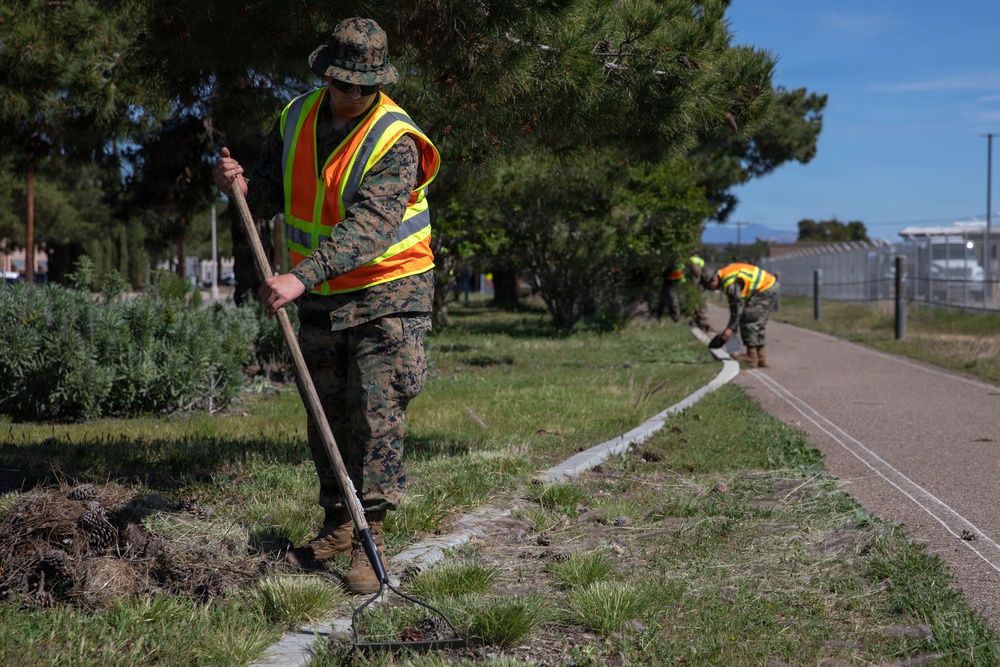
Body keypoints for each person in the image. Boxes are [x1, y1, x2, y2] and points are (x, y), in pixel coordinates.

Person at [213, 17, 440, 594]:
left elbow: (369, 227)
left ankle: (374, 535)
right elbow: (270, 185)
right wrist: (238, 182)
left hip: (389, 288)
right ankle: (339, 525)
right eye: (346, 84)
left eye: (367, 86)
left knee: (375, 407)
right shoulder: (295, 118)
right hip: (320, 290)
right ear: (327, 75)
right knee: (326, 411)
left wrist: (298, 276)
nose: (355, 95)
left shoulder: (397, 139)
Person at [701, 262, 778, 368]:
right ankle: (761, 357)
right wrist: (733, 326)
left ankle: (751, 357)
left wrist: (730, 328)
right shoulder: (726, 274)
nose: (712, 290)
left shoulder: (729, 283)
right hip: (769, 285)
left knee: (749, 319)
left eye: (710, 287)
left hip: (764, 288)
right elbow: (737, 306)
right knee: (757, 322)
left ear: (714, 279)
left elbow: (737, 307)